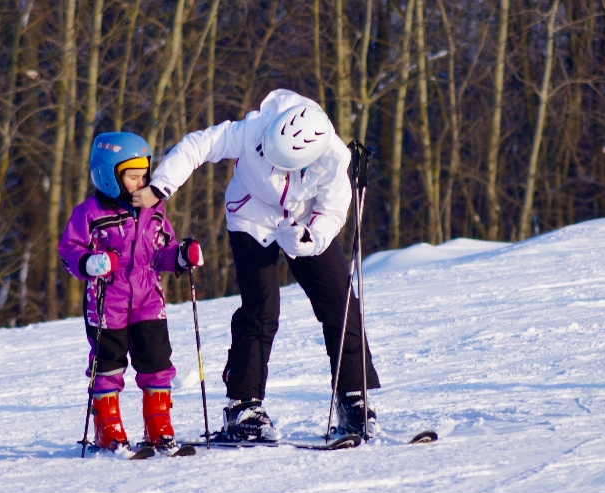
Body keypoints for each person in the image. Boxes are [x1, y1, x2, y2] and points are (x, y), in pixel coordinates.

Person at [132, 89, 381, 442]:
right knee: (262, 309)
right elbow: (198, 145)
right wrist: (160, 186)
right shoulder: (255, 129)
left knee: (340, 306)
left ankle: (354, 398)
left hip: (304, 221)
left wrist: (311, 237)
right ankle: (243, 405)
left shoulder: (334, 159)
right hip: (251, 217)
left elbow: (334, 211)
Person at [59, 131, 204, 451]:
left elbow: (160, 252)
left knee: (156, 360)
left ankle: (158, 424)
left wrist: (181, 255)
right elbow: (69, 251)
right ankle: (107, 426)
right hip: (107, 304)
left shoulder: (152, 210)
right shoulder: (89, 214)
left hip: (148, 300)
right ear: (109, 176)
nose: (141, 184)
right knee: (108, 364)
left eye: (144, 176)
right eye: (133, 177)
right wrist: (88, 263)